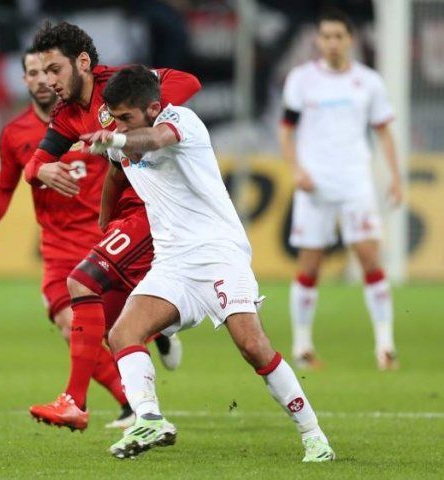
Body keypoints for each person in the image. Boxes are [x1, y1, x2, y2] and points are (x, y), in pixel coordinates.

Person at [82, 64, 334, 462]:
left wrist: (114, 135)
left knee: (252, 346)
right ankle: (150, 419)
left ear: (152, 107)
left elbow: (154, 140)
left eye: (127, 117)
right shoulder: (121, 136)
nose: (120, 124)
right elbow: (116, 172)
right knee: (122, 333)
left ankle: (313, 434)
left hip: (219, 253)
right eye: (114, 117)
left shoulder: (180, 121)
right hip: (173, 263)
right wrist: (104, 220)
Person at [21, 21, 200, 431]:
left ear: (82, 62)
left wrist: (142, 121)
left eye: (55, 70)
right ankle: (149, 394)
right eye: (42, 73)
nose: (49, 82)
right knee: (111, 321)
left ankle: (74, 402)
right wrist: (42, 172)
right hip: (131, 213)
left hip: (155, 209)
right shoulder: (68, 116)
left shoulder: (120, 86)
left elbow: (188, 82)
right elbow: (34, 163)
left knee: (81, 282)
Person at [0, 48, 135, 428]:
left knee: (119, 328)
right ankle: (130, 403)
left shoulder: (92, 116)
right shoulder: (15, 133)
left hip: (103, 239)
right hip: (59, 248)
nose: (42, 79)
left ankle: (159, 336)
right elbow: (3, 185)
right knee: (70, 325)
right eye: (32, 72)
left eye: (48, 71)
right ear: (25, 80)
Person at [278, 9, 401, 371]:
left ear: (350, 40)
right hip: (314, 185)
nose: (332, 43)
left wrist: (395, 177)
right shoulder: (302, 79)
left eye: (338, 36)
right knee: (309, 266)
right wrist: (296, 169)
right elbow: (286, 129)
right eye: (326, 36)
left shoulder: (369, 82)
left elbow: (383, 131)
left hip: (354, 183)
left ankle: (385, 345)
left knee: (369, 259)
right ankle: (302, 347)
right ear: (318, 40)